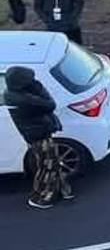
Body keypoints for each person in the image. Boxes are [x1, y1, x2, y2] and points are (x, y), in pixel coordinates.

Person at [4, 66, 71, 209]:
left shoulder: (13, 94)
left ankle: (62, 190)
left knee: (52, 162)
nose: (33, 81)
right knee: (48, 166)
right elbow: (49, 105)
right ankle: (42, 197)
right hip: (38, 136)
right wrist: (39, 88)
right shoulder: (22, 99)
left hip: (37, 133)